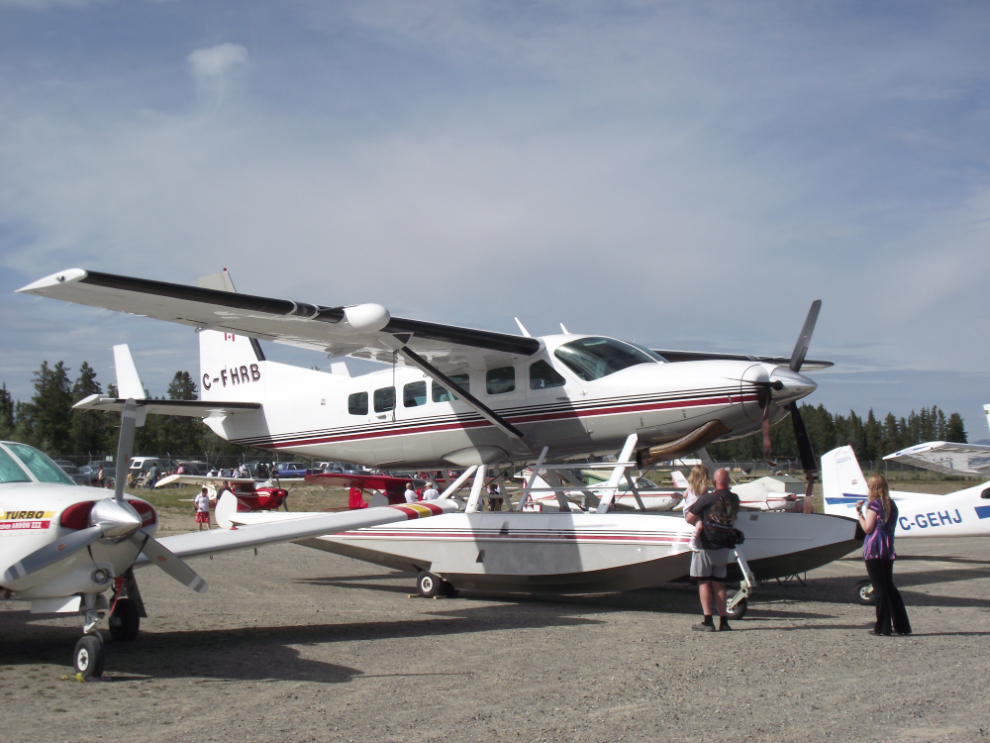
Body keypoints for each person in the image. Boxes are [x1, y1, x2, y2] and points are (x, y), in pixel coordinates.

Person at [685, 468, 741, 632]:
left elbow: (689, 517)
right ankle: (724, 621)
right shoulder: (735, 499)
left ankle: (708, 621)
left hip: (705, 546)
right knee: (719, 584)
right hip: (723, 546)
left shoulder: (707, 498)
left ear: (714, 482)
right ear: (728, 481)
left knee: (703, 582)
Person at [855, 475, 911, 636]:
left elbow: (868, 528)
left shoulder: (875, 504)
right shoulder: (891, 504)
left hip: (874, 546)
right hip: (887, 546)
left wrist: (859, 512)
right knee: (889, 586)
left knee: (878, 587)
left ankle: (883, 626)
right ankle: (902, 625)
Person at [682, 464, 710, 552]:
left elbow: (684, 496)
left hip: (687, 511)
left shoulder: (690, 487)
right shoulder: (704, 488)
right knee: (700, 526)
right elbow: (706, 500)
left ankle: (693, 542)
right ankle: (692, 542)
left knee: (699, 525)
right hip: (694, 511)